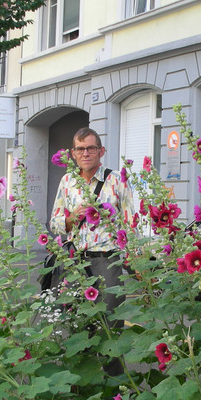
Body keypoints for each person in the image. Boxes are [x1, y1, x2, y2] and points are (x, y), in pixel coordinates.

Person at [49, 127, 135, 329]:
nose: (85, 153)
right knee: (78, 327)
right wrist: (72, 218)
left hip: (108, 263)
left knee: (110, 328)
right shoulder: (67, 182)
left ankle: (111, 362)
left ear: (101, 151)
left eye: (90, 148)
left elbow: (130, 224)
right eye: (80, 149)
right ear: (73, 153)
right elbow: (55, 223)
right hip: (76, 265)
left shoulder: (116, 181)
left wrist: (135, 261)